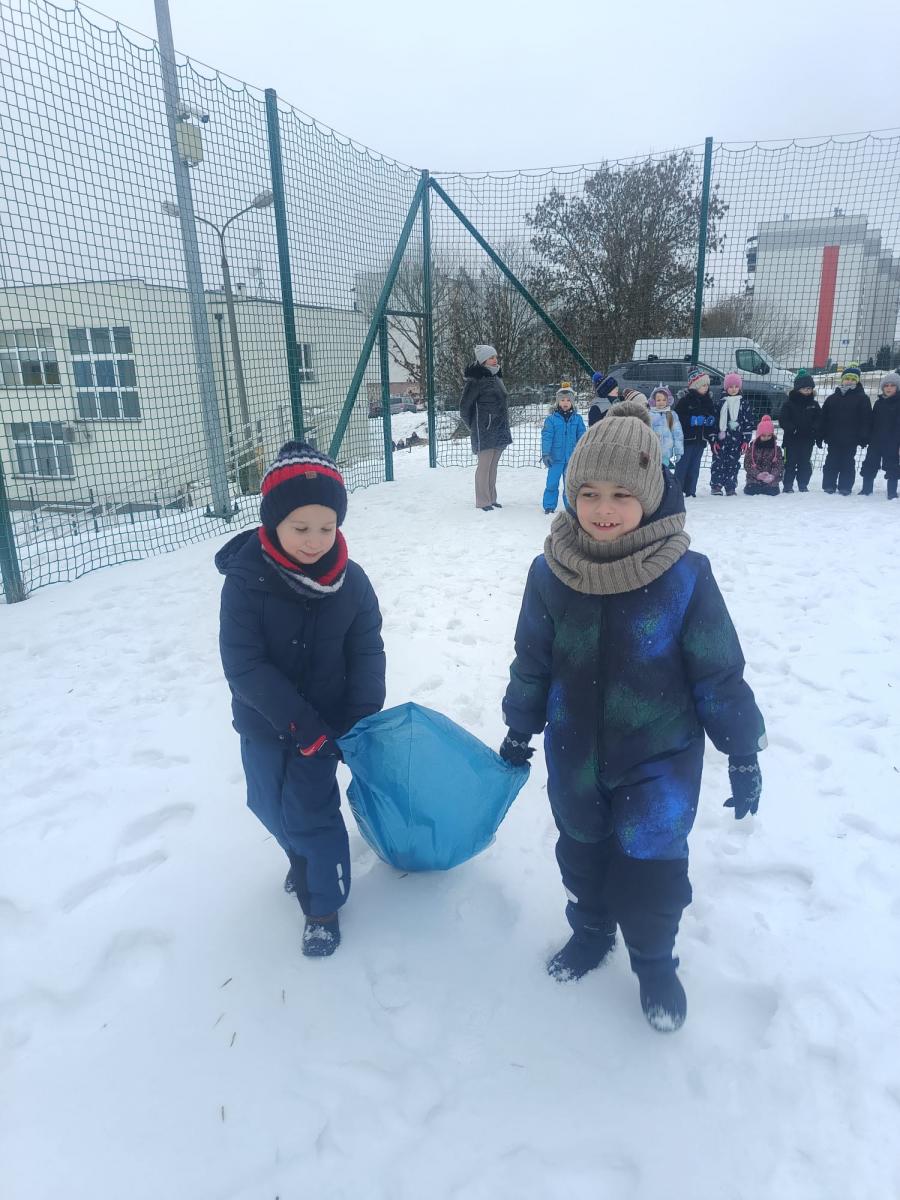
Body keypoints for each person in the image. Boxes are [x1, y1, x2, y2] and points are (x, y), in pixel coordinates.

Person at [499, 401, 766, 1032]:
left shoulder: (685, 576)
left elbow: (717, 667)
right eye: (589, 493)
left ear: (649, 494)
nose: (603, 508)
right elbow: (533, 659)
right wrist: (519, 725)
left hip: (659, 758)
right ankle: (592, 931)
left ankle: (653, 962)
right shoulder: (551, 572)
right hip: (574, 754)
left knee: (651, 868)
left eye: (622, 494)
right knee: (581, 853)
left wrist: (741, 749)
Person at [216, 442, 386, 958]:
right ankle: (302, 858)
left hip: (326, 728)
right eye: (301, 527)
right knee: (266, 804)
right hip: (266, 723)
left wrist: (359, 720)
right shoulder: (246, 583)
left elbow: (367, 650)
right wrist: (298, 724)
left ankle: (323, 907)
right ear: (273, 523)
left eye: (327, 527)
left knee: (311, 815)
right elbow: (244, 664)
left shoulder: (352, 583)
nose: (315, 541)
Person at [459, 344, 512, 511]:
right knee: (484, 467)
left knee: (493, 467)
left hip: (499, 429)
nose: (495, 360)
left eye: (495, 357)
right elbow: (464, 408)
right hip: (484, 432)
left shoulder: (497, 377)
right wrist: (476, 426)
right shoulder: (475, 381)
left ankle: (492, 498)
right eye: (491, 357)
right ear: (482, 360)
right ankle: (483, 501)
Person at [819, 364, 872, 495]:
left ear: (857, 381)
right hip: (833, 438)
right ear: (842, 380)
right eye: (847, 378)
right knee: (831, 462)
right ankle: (829, 485)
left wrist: (864, 436)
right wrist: (820, 434)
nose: (850, 381)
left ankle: (845, 486)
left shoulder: (862, 398)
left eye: (853, 379)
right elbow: (823, 418)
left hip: (851, 439)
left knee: (847, 463)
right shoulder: (832, 398)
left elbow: (866, 419)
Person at [541, 384, 587, 514]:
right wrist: (546, 453)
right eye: (562, 400)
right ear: (558, 402)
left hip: (571, 459)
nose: (565, 403)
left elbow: (582, 437)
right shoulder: (551, 420)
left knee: (569, 484)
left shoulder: (577, 419)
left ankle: (570, 506)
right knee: (552, 483)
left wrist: (582, 453)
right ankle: (549, 506)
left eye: (568, 400)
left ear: (572, 402)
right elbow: (547, 437)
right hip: (555, 458)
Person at [673, 367, 717, 497]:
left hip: (700, 440)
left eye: (707, 385)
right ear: (695, 386)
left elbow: (712, 415)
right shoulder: (685, 401)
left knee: (694, 467)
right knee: (682, 466)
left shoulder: (708, 401)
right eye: (703, 385)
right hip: (687, 440)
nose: (706, 387)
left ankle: (691, 491)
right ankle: (677, 490)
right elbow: (677, 417)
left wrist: (710, 421)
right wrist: (692, 420)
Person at [710, 372, 755, 496]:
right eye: (730, 386)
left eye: (736, 386)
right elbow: (714, 423)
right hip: (721, 440)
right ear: (726, 388)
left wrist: (746, 440)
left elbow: (748, 423)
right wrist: (713, 439)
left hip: (737, 441)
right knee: (718, 463)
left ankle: (730, 486)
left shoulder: (744, 404)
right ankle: (716, 485)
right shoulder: (720, 404)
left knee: (733, 464)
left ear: (739, 388)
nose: (733, 389)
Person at [859, 371, 900, 499]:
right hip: (876, 441)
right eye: (886, 385)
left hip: (893, 442)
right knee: (870, 464)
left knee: (892, 467)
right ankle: (866, 489)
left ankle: (892, 492)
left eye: (892, 385)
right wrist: (867, 436)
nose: (889, 388)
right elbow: (872, 421)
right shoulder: (879, 403)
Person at [778, 371, 821, 493]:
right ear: (798, 389)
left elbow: (819, 419)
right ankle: (788, 485)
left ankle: (803, 484)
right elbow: (783, 420)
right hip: (791, 440)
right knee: (789, 463)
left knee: (804, 463)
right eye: (804, 388)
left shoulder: (814, 404)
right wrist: (792, 429)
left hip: (807, 440)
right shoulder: (788, 404)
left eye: (810, 388)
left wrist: (814, 429)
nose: (807, 391)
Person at [743, 415, 784, 496]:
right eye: (763, 435)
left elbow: (779, 465)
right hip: (754, 478)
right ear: (758, 435)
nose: (766, 438)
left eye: (769, 436)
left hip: (771, 479)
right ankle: (756, 485)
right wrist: (758, 474)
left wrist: (772, 475)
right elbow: (747, 464)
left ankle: (768, 486)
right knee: (750, 490)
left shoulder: (777, 449)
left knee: (773, 491)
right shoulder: (752, 449)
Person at [648, 386, 684, 469]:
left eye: (664, 400)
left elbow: (678, 435)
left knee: (663, 472)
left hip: (666, 453)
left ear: (668, 400)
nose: (661, 402)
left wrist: (678, 452)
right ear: (653, 401)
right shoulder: (650, 415)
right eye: (658, 400)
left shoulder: (671, 415)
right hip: (652, 452)